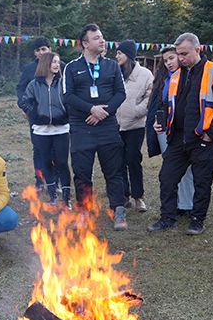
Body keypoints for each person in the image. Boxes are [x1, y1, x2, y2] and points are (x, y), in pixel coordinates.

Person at [149, 33, 213, 235]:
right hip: (177, 138)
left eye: (184, 53)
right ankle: (167, 218)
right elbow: (167, 104)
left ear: (198, 49)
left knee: (202, 181)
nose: (181, 58)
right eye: (178, 54)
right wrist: (161, 123)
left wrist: (211, 134)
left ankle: (197, 219)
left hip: (202, 138)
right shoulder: (176, 75)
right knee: (167, 177)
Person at [62, 24, 128, 231]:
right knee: (82, 172)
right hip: (82, 128)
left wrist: (103, 113)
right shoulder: (71, 67)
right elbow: (68, 96)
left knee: (114, 171)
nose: (102, 41)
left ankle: (118, 211)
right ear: (85, 43)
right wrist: (91, 109)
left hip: (107, 126)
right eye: (97, 38)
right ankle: (83, 212)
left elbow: (120, 93)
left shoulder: (112, 66)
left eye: (102, 37)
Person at [18, 52, 71, 206]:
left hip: (61, 129)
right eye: (54, 62)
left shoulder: (63, 83)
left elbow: (69, 100)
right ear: (45, 64)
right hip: (41, 131)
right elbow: (24, 101)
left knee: (61, 162)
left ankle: (66, 199)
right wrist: (35, 114)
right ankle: (53, 196)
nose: (57, 65)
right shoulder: (34, 84)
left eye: (58, 62)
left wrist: (65, 114)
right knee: (46, 162)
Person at [146, 46, 195, 215]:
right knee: (170, 168)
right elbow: (156, 105)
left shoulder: (188, 77)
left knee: (187, 168)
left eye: (171, 58)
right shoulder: (162, 80)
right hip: (164, 129)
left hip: (182, 130)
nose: (168, 63)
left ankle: (188, 204)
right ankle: (177, 203)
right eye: (165, 60)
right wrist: (155, 122)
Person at [115, 40, 154, 212]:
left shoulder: (145, 74)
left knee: (133, 159)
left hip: (136, 125)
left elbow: (150, 96)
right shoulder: (115, 73)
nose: (117, 56)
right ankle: (125, 195)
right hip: (116, 125)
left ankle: (139, 197)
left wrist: (137, 110)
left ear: (128, 55)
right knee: (119, 161)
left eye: (120, 53)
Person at [17, 37, 52, 189]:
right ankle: (39, 180)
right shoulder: (29, 69)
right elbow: (21, 90)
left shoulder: (59, 66)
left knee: (56, 149)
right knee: (38, 148)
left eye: (44, 49)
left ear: (49, 49)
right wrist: (26, 109)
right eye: (38, 50)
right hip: (36, 116)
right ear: (35, 53)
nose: (41, 52)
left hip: (57, 117)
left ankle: (54, 179)